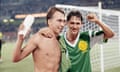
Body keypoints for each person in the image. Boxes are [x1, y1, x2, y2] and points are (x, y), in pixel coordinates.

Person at [12, 7, 66, 72]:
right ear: (49, 21)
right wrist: (20, 39)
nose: (62, 24)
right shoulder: (38, 38)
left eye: (64, 21)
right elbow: (16, 58)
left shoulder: (61, 41)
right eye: (59, 21)